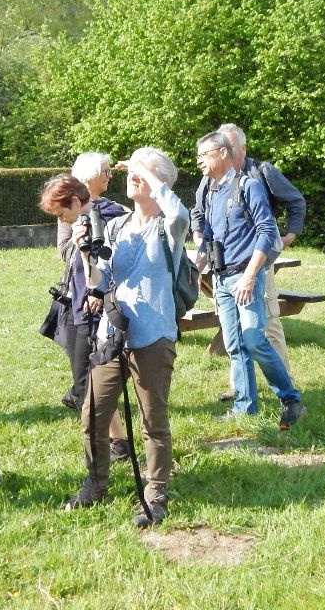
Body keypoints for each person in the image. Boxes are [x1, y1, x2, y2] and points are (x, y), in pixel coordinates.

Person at [61, 147, 188, 528]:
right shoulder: (116, 225)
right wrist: (86, 254)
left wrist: (144, 170)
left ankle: (155, 494)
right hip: (112, 335)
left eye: (143, 173)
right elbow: (101, 281)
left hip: (152, 335)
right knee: (93, 416)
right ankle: (96, 483)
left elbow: (179, 212)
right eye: (131, 171)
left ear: (159, 181)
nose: (133, 176)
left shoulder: (169, 226)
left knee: (154, 421)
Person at [195, 132, 304, 428]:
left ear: (222, 153)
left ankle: (290, 398)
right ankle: (245, 406)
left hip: (246, 276)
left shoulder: (249, 186)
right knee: (234, 345)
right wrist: (196, 270)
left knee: (255, 338)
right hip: (221, 278)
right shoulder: (209, 191)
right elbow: (207, 237)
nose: (198, 162)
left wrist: (250, 276)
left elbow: (267, 233)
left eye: (203, 155)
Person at [39, 168, 129, 462]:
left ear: (75, 201)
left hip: (97, 311)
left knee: (86, 385)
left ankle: (109, 445)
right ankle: (117, 442)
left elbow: (109, 268)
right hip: (79, 305)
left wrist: (97, 291)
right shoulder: (82, 221)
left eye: (61, 212)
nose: (60, 219)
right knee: (89, 381)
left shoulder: (105, 220)